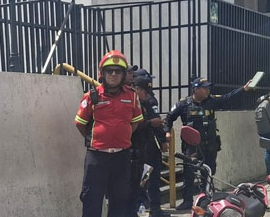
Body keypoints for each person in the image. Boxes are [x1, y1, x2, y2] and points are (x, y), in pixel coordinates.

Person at [165, 76, 254, 210]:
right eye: (205, 88)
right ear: (196, 89)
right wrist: (167, 132)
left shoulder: (211, 101)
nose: (208, 90)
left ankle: (205, 200)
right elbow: (169, 118)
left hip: (210, 145)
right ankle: (187, 201)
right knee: (189, 174)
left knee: (207, 174)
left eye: (208, 88)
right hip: (192, 147)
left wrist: (243, 89)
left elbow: (227, 98)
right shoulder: (183, 104)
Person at [74, 50, 144, 217]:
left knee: (120, 200)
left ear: (123, 74)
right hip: (97, 159)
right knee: (91, 199)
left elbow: (135, 122)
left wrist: (122, 137)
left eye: (118, 71)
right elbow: (80, 123)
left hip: (122, 158)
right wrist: (96, 139)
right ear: (102, 73)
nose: (113, 74)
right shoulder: (91, 96)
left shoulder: (132, 97)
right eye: (109, 70)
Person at [127, 68, 170, 217]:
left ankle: (154, 208)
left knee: (152, 178)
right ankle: (140, 207)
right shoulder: (131, 104)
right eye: (145, 91)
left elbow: (158, 123)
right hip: (138, 150)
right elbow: (133, 127)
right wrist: (150, 123)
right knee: (140, 181)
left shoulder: (147, 102)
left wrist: (163, 139)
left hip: (150, 148)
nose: (148, 95)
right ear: (137, 89)